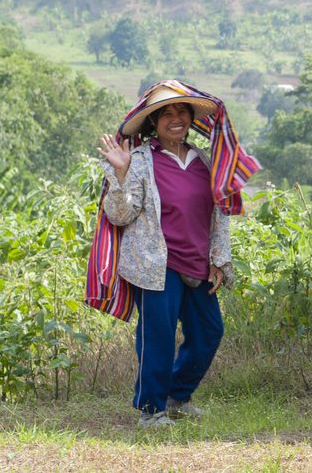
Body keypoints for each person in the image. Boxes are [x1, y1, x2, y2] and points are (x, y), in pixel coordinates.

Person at [88, 80, 259, 427]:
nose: (175, 118)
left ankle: (177, 395)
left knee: (209, 331)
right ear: (154, 122)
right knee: (158, 337)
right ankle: (151, 410)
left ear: (192, 118)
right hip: (155, 264)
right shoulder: (138, 161)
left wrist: (219, 259)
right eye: (166, 113)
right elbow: (120, 215)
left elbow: (218, 215)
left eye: (182, 111)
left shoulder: (204, 161)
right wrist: (120, 175)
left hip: (197, 262)